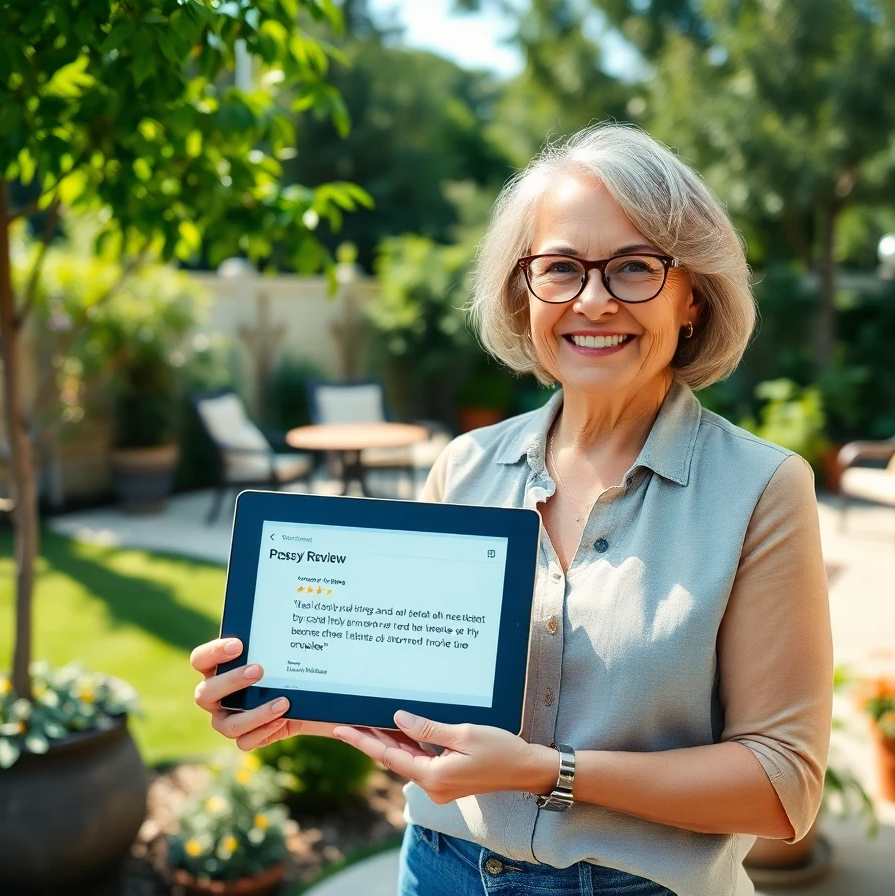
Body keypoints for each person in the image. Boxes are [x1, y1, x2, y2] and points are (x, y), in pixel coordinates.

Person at [190, 122, 833, 896]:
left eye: (634, 267)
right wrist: (290, 696)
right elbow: (407, 698)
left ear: (693, 296)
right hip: (440, 869)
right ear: (523, 292)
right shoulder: (464, 466)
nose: (593, 300)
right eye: (560, 267)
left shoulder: (761, 489)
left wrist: (547, 774)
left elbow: (780, 786)